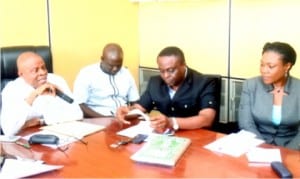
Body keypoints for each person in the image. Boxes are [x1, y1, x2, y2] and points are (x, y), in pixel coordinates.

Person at [116, 46, 219, 133]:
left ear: (183, 65)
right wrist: (128, 111)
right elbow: (140, 108)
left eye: (171, 70)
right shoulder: (154, 83)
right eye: (161, 71)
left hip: (198, 137)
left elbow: (206, 119)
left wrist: (171, 122)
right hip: (167, 136)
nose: (166, 76)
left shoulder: (204, 83)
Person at [0, 52, 83, 136]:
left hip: (59, 136)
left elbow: (78, 114)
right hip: (26, 141)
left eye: (43, 67)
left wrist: (41, 121)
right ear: (21, 74)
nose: (42, 72)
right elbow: (9, 130)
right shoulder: (11, 90)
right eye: (35, 70)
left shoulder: (57, 80)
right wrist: (33, 95)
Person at [238, 41, 300, 150]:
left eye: (270, 66)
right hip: (256, 146)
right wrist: (263, 149)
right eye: (262, 64)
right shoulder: (251, 85)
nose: (263, 70)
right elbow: (246, 123)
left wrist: (288, 152)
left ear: (287, 66)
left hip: (292, 150)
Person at [73, 43, 139, 117]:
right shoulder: (87, 73)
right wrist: (104, 119)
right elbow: (79, 104)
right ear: (102, 59)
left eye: (118, 65)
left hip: (124, 117)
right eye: (111, 65)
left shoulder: (126, 73)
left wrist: (135, 113)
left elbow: (134, 102)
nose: (115, 69)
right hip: (98, 119)